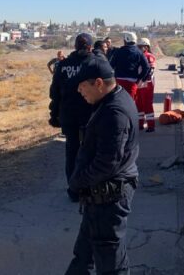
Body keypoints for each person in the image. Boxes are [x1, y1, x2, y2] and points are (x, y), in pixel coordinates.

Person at [66, 56, 139, 275]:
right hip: (98, 197)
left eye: (82, 86)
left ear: (98, 83)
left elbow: (108, 163)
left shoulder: (114, 113)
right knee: (84, 253)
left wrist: (78, 181)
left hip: (108, 197)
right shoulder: (110, 101)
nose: (80, 91)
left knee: (109, 261)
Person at [49, 33, 95, 202]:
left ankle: (74, 190)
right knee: (91, 151)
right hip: (90, 115)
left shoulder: (63, 65)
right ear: (89, 47)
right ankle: (89, 188)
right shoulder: (93, 64)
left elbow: (54, 93)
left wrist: (54, 115)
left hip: (69, 115)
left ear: (75, 46)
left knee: (72, 152)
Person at [109, 32, 151, 104]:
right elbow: (146, 67)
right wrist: (140, 78)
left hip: (118, 82)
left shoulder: (118, 51)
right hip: (132, 83)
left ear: (125, 41)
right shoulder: (139, 52)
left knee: (119, 103)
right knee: (129, 104)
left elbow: (111, 66)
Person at [136, 38, 156, 130]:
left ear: (146, 47)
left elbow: (151, 70)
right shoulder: (136, 55)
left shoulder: (149, 56)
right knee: (138, 104)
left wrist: (143, 79)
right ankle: (140, 124)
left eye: (141, 46)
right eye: (138, 46)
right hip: (139, 83)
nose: (139, 48)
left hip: (147, 83)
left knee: (147, 104)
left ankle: (151, 125)